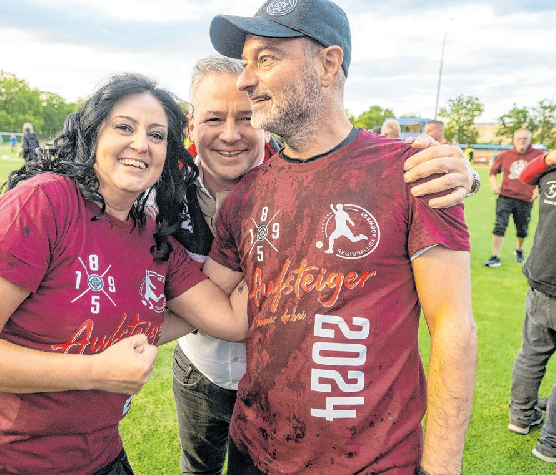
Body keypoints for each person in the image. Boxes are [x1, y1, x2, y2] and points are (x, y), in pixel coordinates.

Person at [0, 73, 251, 475]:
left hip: (99, 458)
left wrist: (280, 230)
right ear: (93, 135)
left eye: (157, 135)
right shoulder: (44, 203)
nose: (141, 144)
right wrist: (96, 371)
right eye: (124, 127)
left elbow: (229, 319)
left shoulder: (155, 238)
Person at [204, 1, 477, 473]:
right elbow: (205, 293)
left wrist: (441, 468)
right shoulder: (247, 194)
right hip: (252, 451)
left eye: (265, 59)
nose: (246, 79)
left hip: (370, 461)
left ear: (329, 64)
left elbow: (454, 327)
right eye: (245, 62)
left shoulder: (413, 172)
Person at [508, 149, 556, 464]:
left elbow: (526, 176)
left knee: (532, 354)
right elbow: (524, 176)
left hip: (543, 276)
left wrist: (548, 160)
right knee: (532, 355)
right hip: (544, 278)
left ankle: (521, 417)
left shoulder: (550, 171)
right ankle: (550, 444)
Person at [485, 128, 542, 267]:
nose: (521, 142)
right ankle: (495, 256)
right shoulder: (506, 155)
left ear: (530, 140)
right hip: (506, 196)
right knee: (500, 225)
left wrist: (538, 190)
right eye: (519, 139)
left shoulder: (538, 155)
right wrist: (495, 185)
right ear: (514, 140)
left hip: (525, 198)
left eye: (525, 139)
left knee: (522, 228)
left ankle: (519, 249)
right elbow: (493, 172)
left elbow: (544, 174)